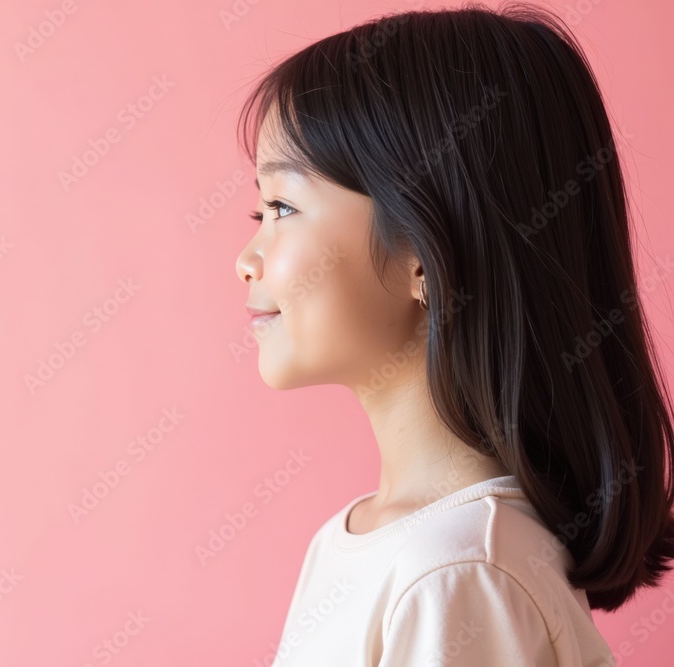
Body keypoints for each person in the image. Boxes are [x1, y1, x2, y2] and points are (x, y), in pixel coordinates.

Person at [233, 3, 674, 665]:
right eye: (257, 210)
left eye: (282, 208)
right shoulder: (365, 542)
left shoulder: (457, 572)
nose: (246, 258)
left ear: (424, 254)